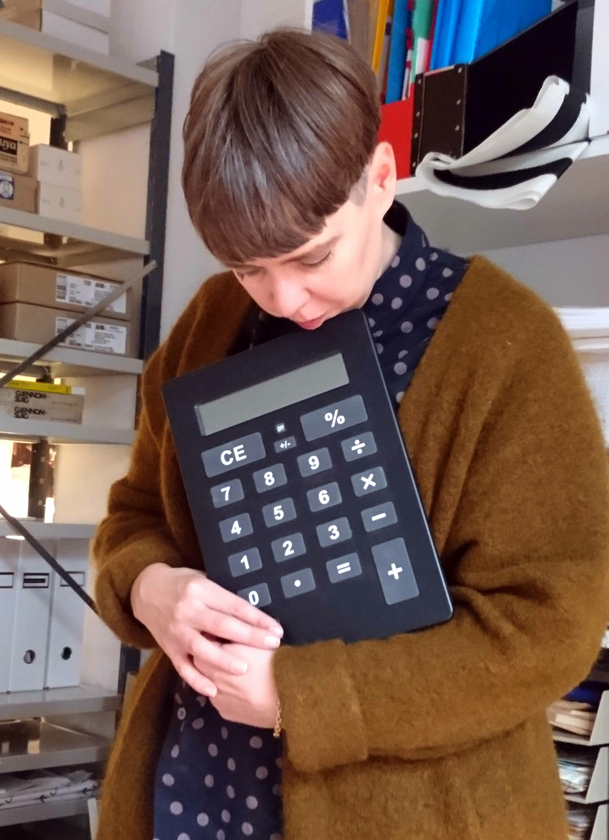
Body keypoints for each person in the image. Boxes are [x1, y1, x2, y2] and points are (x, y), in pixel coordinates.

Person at [92, 28, 609, 840]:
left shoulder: (507, 346)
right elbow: (133, 517)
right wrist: (149, 588)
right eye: (247, 267)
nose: (282, 298)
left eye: (310, 257)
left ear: (380, 176)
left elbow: (546, 629)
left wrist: (303, 697)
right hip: (198, 788)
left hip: (419, 810)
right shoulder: (210, 324)